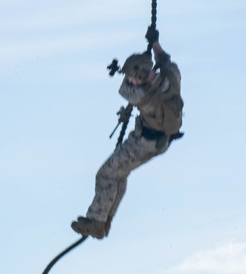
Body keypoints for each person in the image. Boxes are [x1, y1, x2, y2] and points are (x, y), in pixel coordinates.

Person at [71, 29, 183, 239]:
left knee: (106, 175)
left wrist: (131, 78)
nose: (130, 80)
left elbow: (124, 90)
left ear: (139, 78)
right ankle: (103, 221)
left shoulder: (144, 96)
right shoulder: (171, 76)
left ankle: (96, 221)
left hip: (145, 143)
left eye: (133, 77)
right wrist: (155, 44)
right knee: (119, 174)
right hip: (157, 140)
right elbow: (165, 60)